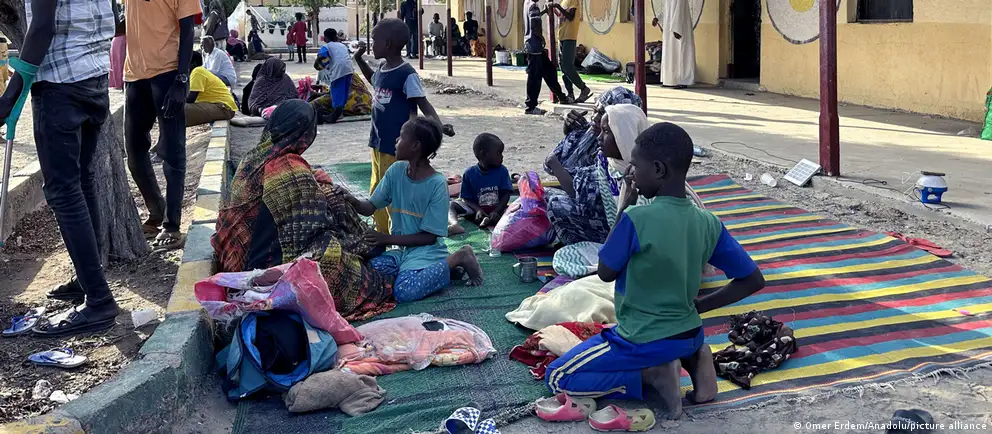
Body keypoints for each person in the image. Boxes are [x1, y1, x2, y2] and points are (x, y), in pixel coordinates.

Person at [545, 123, 765, 418]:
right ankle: (695, 358)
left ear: (659, 170)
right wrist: (700, 306)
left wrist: (625, 206)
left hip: (642, 339)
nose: (632, 173)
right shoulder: (708, 221)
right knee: (668, 344)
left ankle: (651, 376)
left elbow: (606, 271)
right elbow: (752, 279)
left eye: (636, 165)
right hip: (689, 334)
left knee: (558, 376)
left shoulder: (637, 218)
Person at [0, 0, 120, 336]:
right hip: (95, 78)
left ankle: (98, 300)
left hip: (60, 84)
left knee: (64, 192)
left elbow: (43, 26)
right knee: (81, 182)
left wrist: (11, 94)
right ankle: (88, 281)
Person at [212, 100, 394, 320]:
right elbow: (313, 230)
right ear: (307, 133)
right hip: (271, 266)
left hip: (238, 256)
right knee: (334, 237)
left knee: (328, 195)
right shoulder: (291, 171)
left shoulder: (254, 157)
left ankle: (365, 245)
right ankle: (365, 248)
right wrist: (331, 198)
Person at [345, 117, 484, 302]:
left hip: (426, 251)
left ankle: (460, 257)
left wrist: (385, 239)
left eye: (401, 137)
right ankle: (443, 270)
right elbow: (370, 207)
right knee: (368, 273)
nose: (396, 140)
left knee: (404, 291)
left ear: (415, 146)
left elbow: (429, 237)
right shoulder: (396, 171)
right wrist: (352, 200)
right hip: (402, 252)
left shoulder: (437, 184)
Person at [354, 18, 454, 233]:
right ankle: (380, 232)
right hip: (378, 141)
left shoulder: (406, 74)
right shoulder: (383, 68)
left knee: (393, 193)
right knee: (377, 188)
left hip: (397, 145)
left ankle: (396, 235)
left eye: (375, 40)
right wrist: (359, 60)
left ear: (388, 44)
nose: (372, 44)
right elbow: (374, 80)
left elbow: (423, 103)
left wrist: (438, 127)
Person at [123, 0, 199, 250]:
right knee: (134, 152)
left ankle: (172, 226)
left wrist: (182, 78)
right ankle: (156, 210)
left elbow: (188, 30)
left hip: (168, 73)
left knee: (172, 153)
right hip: (134, 75)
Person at [543, 88, 638, 245]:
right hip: (590, 205)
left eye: (602, 113)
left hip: (607, 223)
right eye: (595, 110)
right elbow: (550, 164)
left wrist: (555, 165)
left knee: (551, 201)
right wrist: (567, 131)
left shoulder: (614, 151)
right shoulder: (587, 133)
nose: (595, 118)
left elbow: (578, 191)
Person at [448, 133, 512, 235]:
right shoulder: (469, 173)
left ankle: (490, 219)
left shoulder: (502, 171)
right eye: (498, 153)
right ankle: (454, 224)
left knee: (516, 209)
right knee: (451, 205)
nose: (502, 156)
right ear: (484, 154)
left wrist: (496, 211)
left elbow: (506, 194)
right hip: (475, 210)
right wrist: (478, 210)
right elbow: (466, 198)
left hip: (498, 209)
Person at [523, 0, 567, 115]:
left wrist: (543, 11)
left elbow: (533, 19)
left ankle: (561, 96)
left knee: (549, 70)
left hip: (533, 45)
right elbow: (534, 26)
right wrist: (541, 37)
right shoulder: (533, 6)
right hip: (535, 46)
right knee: (534, 77)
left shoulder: (527, 3)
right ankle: (530, 106)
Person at [550, 0, 591, 103]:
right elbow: (562, 16)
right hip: (562, 36)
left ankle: (583, 88)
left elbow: (571, 16)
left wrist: (558, 7)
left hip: (569, 36)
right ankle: (570, 93)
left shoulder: (573, 1)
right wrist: (555, 11)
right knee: (562, 66)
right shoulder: (564, 1)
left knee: (567, 65)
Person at [313, 28, 355, 124]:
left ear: (325, 38)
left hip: (338, 70)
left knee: (336, 90)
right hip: (349, 68)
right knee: (344, 90)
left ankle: (337, 113)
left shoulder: (326, 46)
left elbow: (322, 57)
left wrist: (318, 64)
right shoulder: (342, 45)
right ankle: (341, 111)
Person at [186, 52, 236, 126]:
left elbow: (191, 99)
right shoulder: (198, 71)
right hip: (221, 107)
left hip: (224, 108)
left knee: (180, 109)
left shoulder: (197, 71)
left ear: (194, 63)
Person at [655, 0, 695, 88]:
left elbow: (680, 11)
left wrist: (677, 28)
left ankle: (683, 81)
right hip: (669, 30)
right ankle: (670, 80)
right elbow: (667, 11)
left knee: (680, 54)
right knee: (670, 55)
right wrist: (658, 18)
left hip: (679, 29)